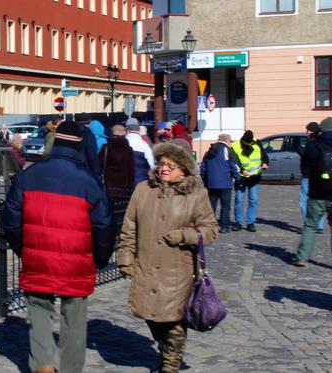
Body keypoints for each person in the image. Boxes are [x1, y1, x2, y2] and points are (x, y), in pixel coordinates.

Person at [2, 121, 115, 373]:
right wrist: (100, 257)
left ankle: (43, 364)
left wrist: (23, 248)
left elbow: (10, 218)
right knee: (73, 319)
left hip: (38, 257)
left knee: (39, 314)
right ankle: (70, 369)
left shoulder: (29, 174)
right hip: (76, 260)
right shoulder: (90, 181)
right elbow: (104, 225)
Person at [117, 142, 218, 373]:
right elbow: (129, 225)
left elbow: (211, 229)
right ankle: (168, 353)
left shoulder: (196, 194)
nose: (165, 169)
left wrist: (186, 235)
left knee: (172, 319)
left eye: (171, 165)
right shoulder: (144, 189)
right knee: (150, 314)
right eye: (162, 163)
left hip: (177, 269)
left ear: (183, 169)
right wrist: (125, 256)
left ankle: (171, 364)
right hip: (146, 265)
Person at [293, 117, 332, 270]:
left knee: (310, 225)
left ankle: (302, 257)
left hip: (317, 192)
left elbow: (305, 164)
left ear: (321, 129)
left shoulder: (313, 145)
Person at [200, 134, 241, 233]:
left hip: (211, 183)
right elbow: (233, 166)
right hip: (225, 183)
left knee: (211, 206)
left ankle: (210, 226)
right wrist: (238, 178)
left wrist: (205, 179)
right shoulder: (227, 150)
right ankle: (224, 226)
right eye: (230, 142)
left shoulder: (209, 150)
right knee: (225, 206)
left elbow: (203, 167)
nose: (230, 144)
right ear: (227, 141)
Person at [231, 130, 269, 232]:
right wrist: (243, 171)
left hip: (254, 177)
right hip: (241, 178)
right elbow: (234, 163)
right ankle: (238, 222)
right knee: (239, 200)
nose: (250, 144)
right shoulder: (235, 146)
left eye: (251, 142)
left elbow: (264, 155)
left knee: (253, 200)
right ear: (243, 140)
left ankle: (250, 223)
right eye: (248, 142)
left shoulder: (257, 143)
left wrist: (265, 163)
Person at [299, 122, 325, 233]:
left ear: (312, 131)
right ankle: (319, 225)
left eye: (308, 130)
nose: (306, 132)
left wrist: (300, 151)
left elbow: (308, 158)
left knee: (304, 201)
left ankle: (309, 225)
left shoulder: (311, 143)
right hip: (320, 176)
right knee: (319, 200)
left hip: (308, 176)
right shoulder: (323, 142)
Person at [100, 124, 135, 199]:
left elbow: (100, 164)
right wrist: (131, 186)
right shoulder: (128, 149)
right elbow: (131, 170)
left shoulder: (106, 147)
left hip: (108, 185)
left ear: (112, 134)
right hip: (123, 186)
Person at [124, 118, 154, 188]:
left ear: (127, 130)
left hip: (122, 184)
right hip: (141, 183)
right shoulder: (144, 145)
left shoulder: (120, 144)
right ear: (138, 130)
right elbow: (152, 165)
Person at [75, 113, 102, 179]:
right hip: (85, 169)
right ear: (88, 123)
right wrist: (97, 172)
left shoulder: (69, 132)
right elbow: (91, 155)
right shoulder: (88, 134)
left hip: (71, 168)